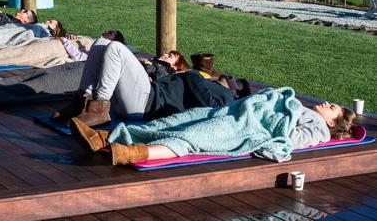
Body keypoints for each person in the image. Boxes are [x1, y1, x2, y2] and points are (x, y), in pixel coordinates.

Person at [70, 88, 356, 166]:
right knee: (174, 121)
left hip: (246, 126)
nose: (327, 102)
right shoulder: (304, 109)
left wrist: (272, 125)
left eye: (332, 107)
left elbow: (289, 139)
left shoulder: (317, 129)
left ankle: (127, 153)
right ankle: (103, 138)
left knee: (190, 137)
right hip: (233, 112)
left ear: (332, 122)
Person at [52, 36, 239, 127]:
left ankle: (98, 110)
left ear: (237, 93)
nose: (233, 78)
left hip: (146, 103)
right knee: (101, 43)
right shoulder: (209, 83)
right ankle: (80, 102)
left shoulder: (227, 97)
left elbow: (209, 108)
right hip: (141, 94)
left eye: (239, 82)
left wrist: (192, 74)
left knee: (116, 47)